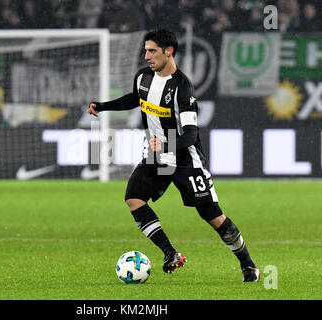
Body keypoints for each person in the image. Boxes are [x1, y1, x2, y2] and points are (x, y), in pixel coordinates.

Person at [87, 29, 259, 282]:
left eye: (152, 50)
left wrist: (166, 145)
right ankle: (171, 253)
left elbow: (190, 135)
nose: (147, 56)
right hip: (157, 157)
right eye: (146, 50)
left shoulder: (182, 88)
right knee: (134, 198)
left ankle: (248, 265)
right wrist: (103, 106)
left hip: (185, 161)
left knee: (213, 217)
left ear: (169, 51)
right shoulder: (143, 76)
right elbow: (135, 98)